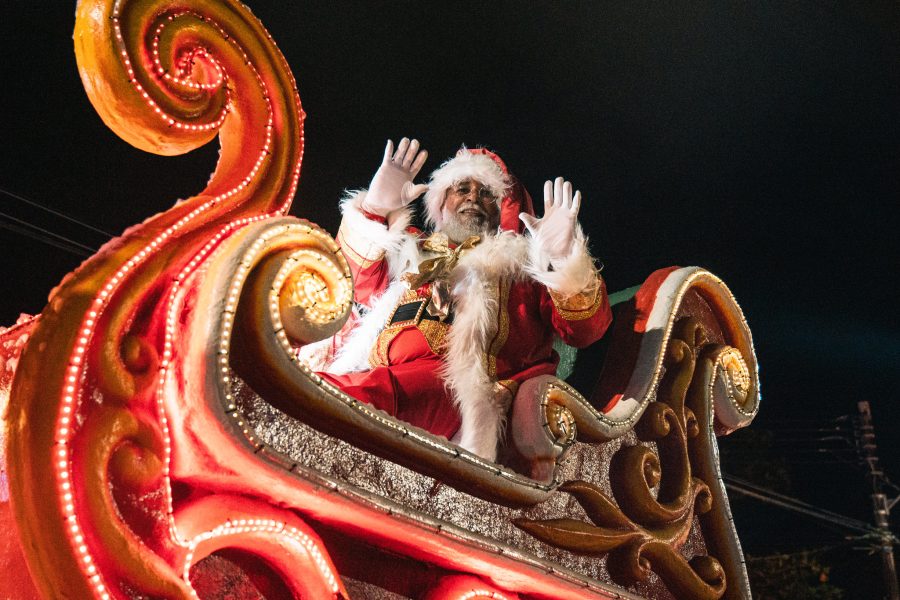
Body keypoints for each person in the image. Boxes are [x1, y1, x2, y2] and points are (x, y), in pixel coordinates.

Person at [302, 138, 612, 461]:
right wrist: (375, 211)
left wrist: (563, 259)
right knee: (317, 382)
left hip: (458, 391)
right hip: (374, 371)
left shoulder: (521, 269)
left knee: (339, 397)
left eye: (487, 193)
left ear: (504, 207)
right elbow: (352, 280)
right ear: (441, 201)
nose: (473, 198)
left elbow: (587, 330)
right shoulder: (410, 249)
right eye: (461, 189)